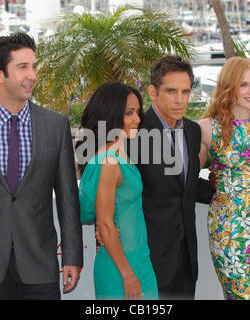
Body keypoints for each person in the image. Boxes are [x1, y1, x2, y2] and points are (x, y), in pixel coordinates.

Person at [0, 32, 83, 300]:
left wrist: (72, 256)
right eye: (23, 67)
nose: (32, 75)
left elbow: (68, 199)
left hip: (41, 261)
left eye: (33, 66)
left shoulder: (55, 125)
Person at [199, 57, 250, 300]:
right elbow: (185, 176)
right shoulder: (207, 127)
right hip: (229, 226)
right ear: (228, 86)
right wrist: (214, 186)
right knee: (240, 294)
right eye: (244, 84)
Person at [137, 55, 212, 299]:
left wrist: (230, 187)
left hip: (186, 257)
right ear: (152, 91)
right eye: (171, 91)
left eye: (185, 91)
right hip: (147, 256)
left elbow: (185, 185)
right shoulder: (135, 133)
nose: (180, 99)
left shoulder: (192, 131)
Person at [77, 82, 158, 300]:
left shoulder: (119, 154)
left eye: (137, 112)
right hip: (120, 269)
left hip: (140, 262)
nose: (137, 119)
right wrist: (127, 275)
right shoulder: (108, 162)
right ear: (110, 114)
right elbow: (104, 223)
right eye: (129, 113)